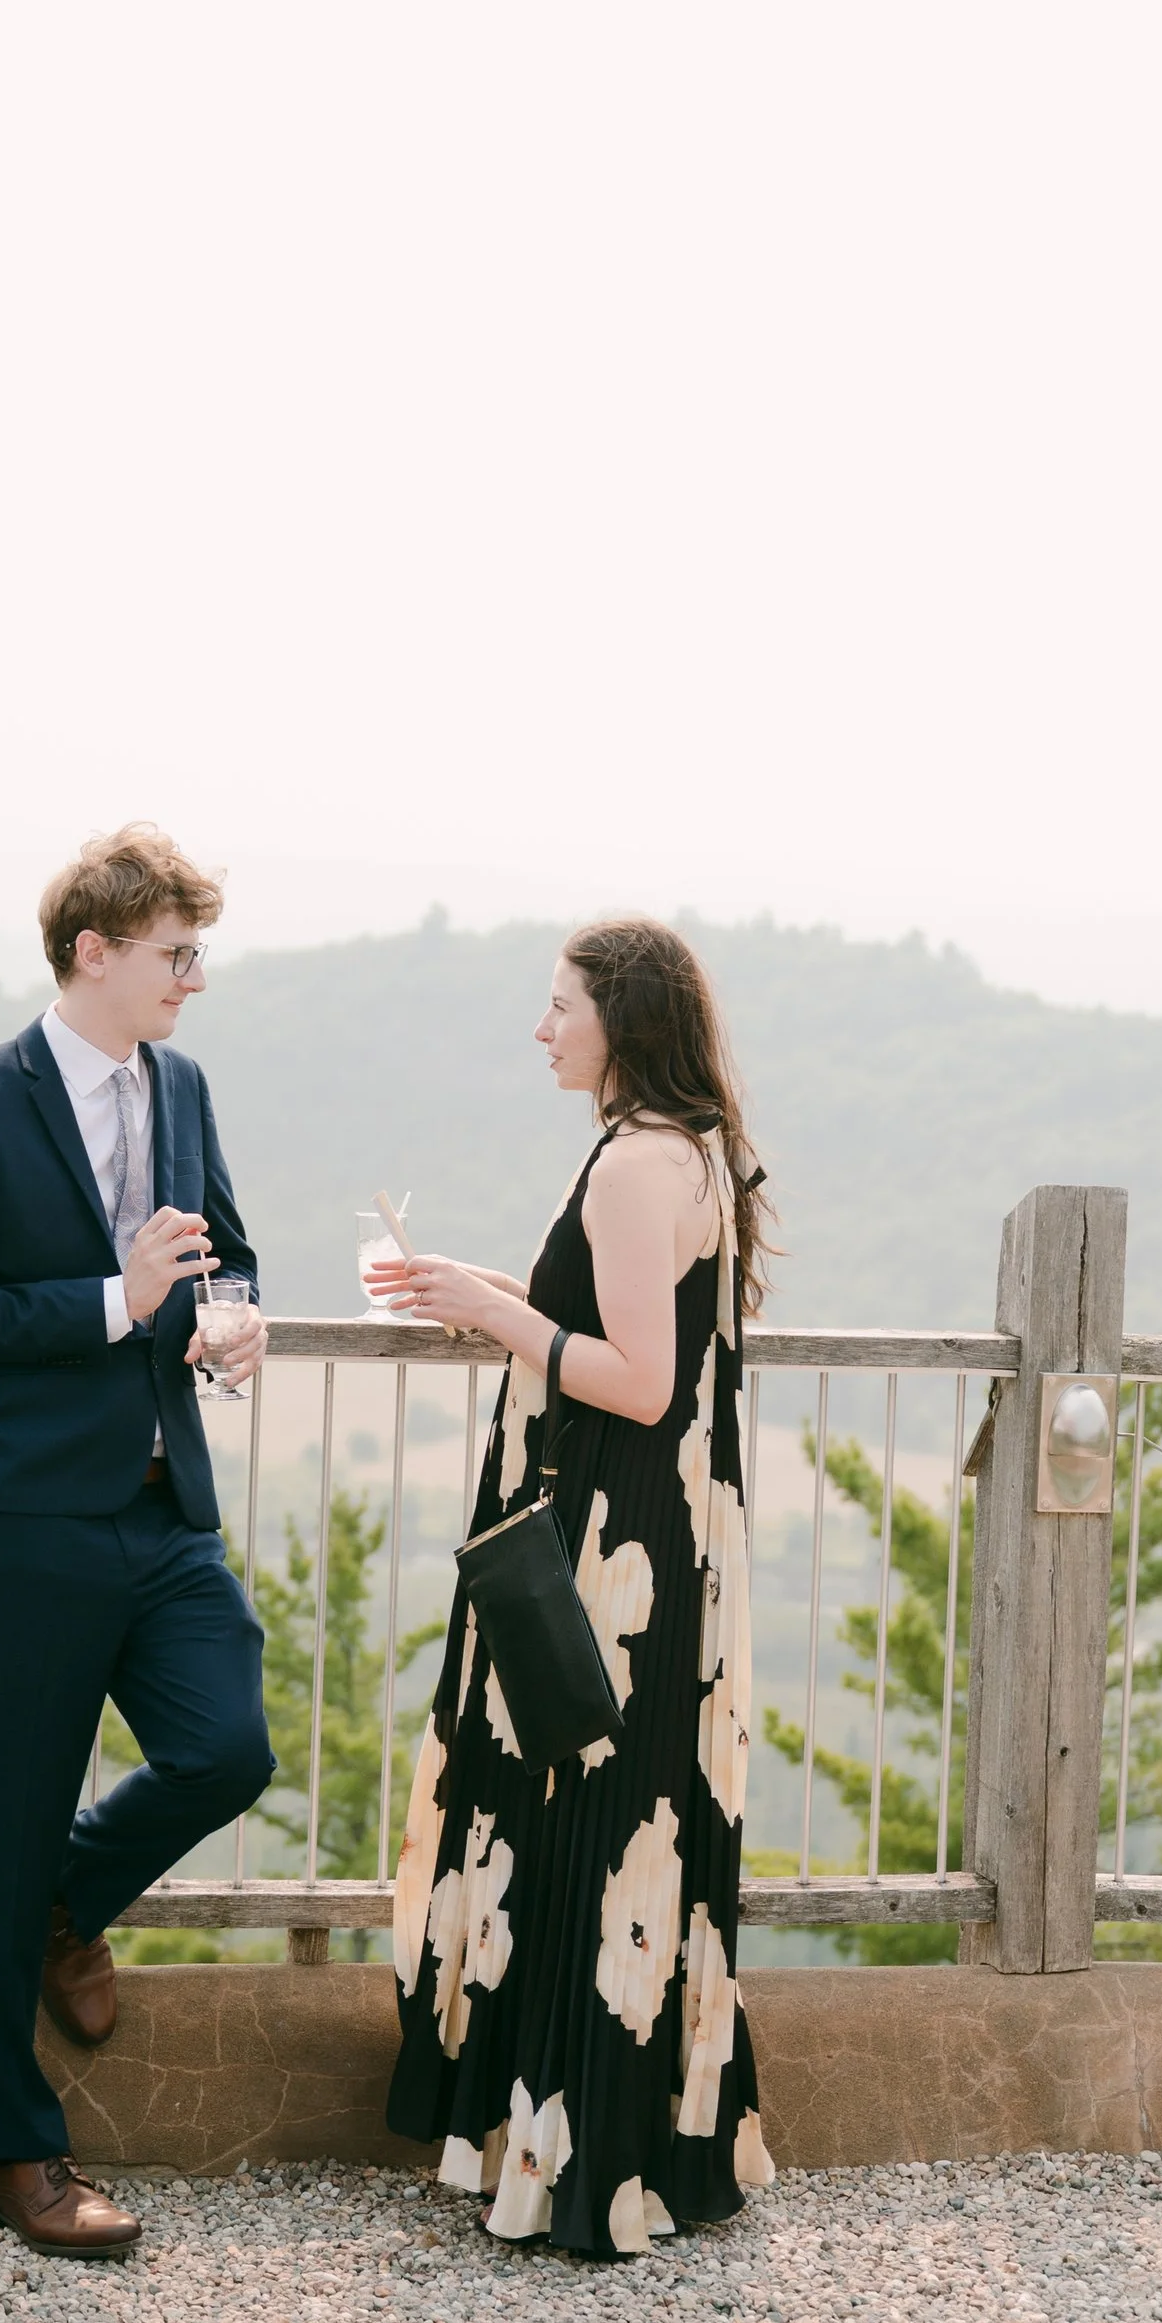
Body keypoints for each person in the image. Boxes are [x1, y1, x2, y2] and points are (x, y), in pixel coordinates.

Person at [0, 821, 273, 2258]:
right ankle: (11, 2154)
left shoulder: (184, 1086)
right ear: (93, 952)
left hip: (163, 1508)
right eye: (177, 954)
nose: (193, 979)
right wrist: (117, 1301)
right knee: (5, 1820)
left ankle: (67, 1904)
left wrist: (229, 1313)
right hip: (14, 1516)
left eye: (198, 954)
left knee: (228, 1747)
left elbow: (225, 1246)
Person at [374, 917, 776, 2254]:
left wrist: (496, 1314)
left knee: (582, 1820)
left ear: (623, 1021)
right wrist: (475, 1287)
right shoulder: (680, 1149)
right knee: (621, 1823)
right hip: (657, 1545)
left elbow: (639, 1384)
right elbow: (610, 1320)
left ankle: (572, 2163)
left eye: (561, 1005)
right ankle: (622, 2148)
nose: (542, 1028)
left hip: (611, 1558)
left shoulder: (636, 1163)